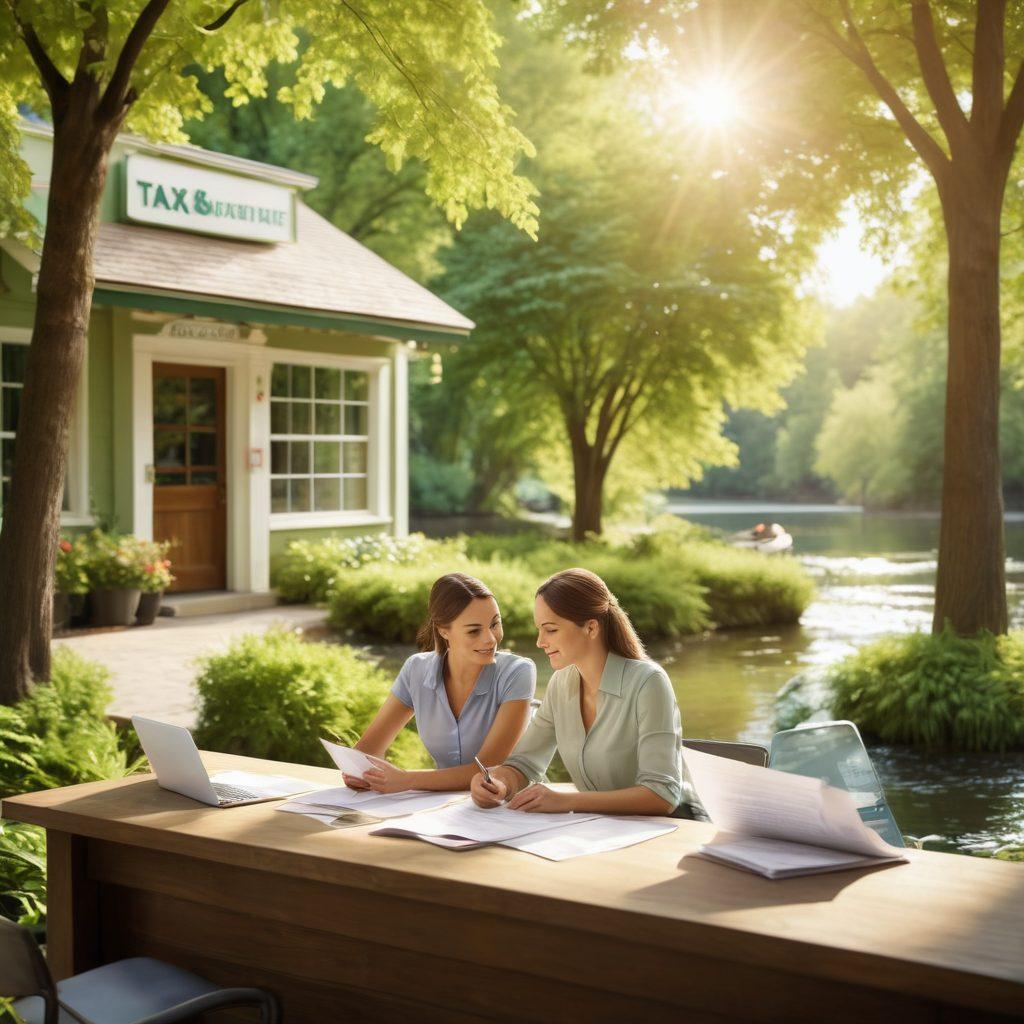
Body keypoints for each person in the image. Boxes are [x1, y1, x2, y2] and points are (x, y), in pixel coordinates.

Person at [470, 568, 682, 815]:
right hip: (596, 832)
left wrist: (567, 802)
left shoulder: (648, 683)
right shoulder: (561, 683)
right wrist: (499, 783)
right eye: (539, 629)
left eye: (550, 629)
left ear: (591, 628)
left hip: (664, 832)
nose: (540, 642)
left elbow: (662, 795)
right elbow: (524, 764)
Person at [346, 572, 536, 793]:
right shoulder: (416, 669)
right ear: (444, 630)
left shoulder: (518, 672)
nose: (491, 639)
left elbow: (487, 770)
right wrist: (358, 771)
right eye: (474, 631)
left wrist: (406, 780)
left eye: (495, 624)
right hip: (442, 807)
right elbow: (367, 751)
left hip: (511, 805)